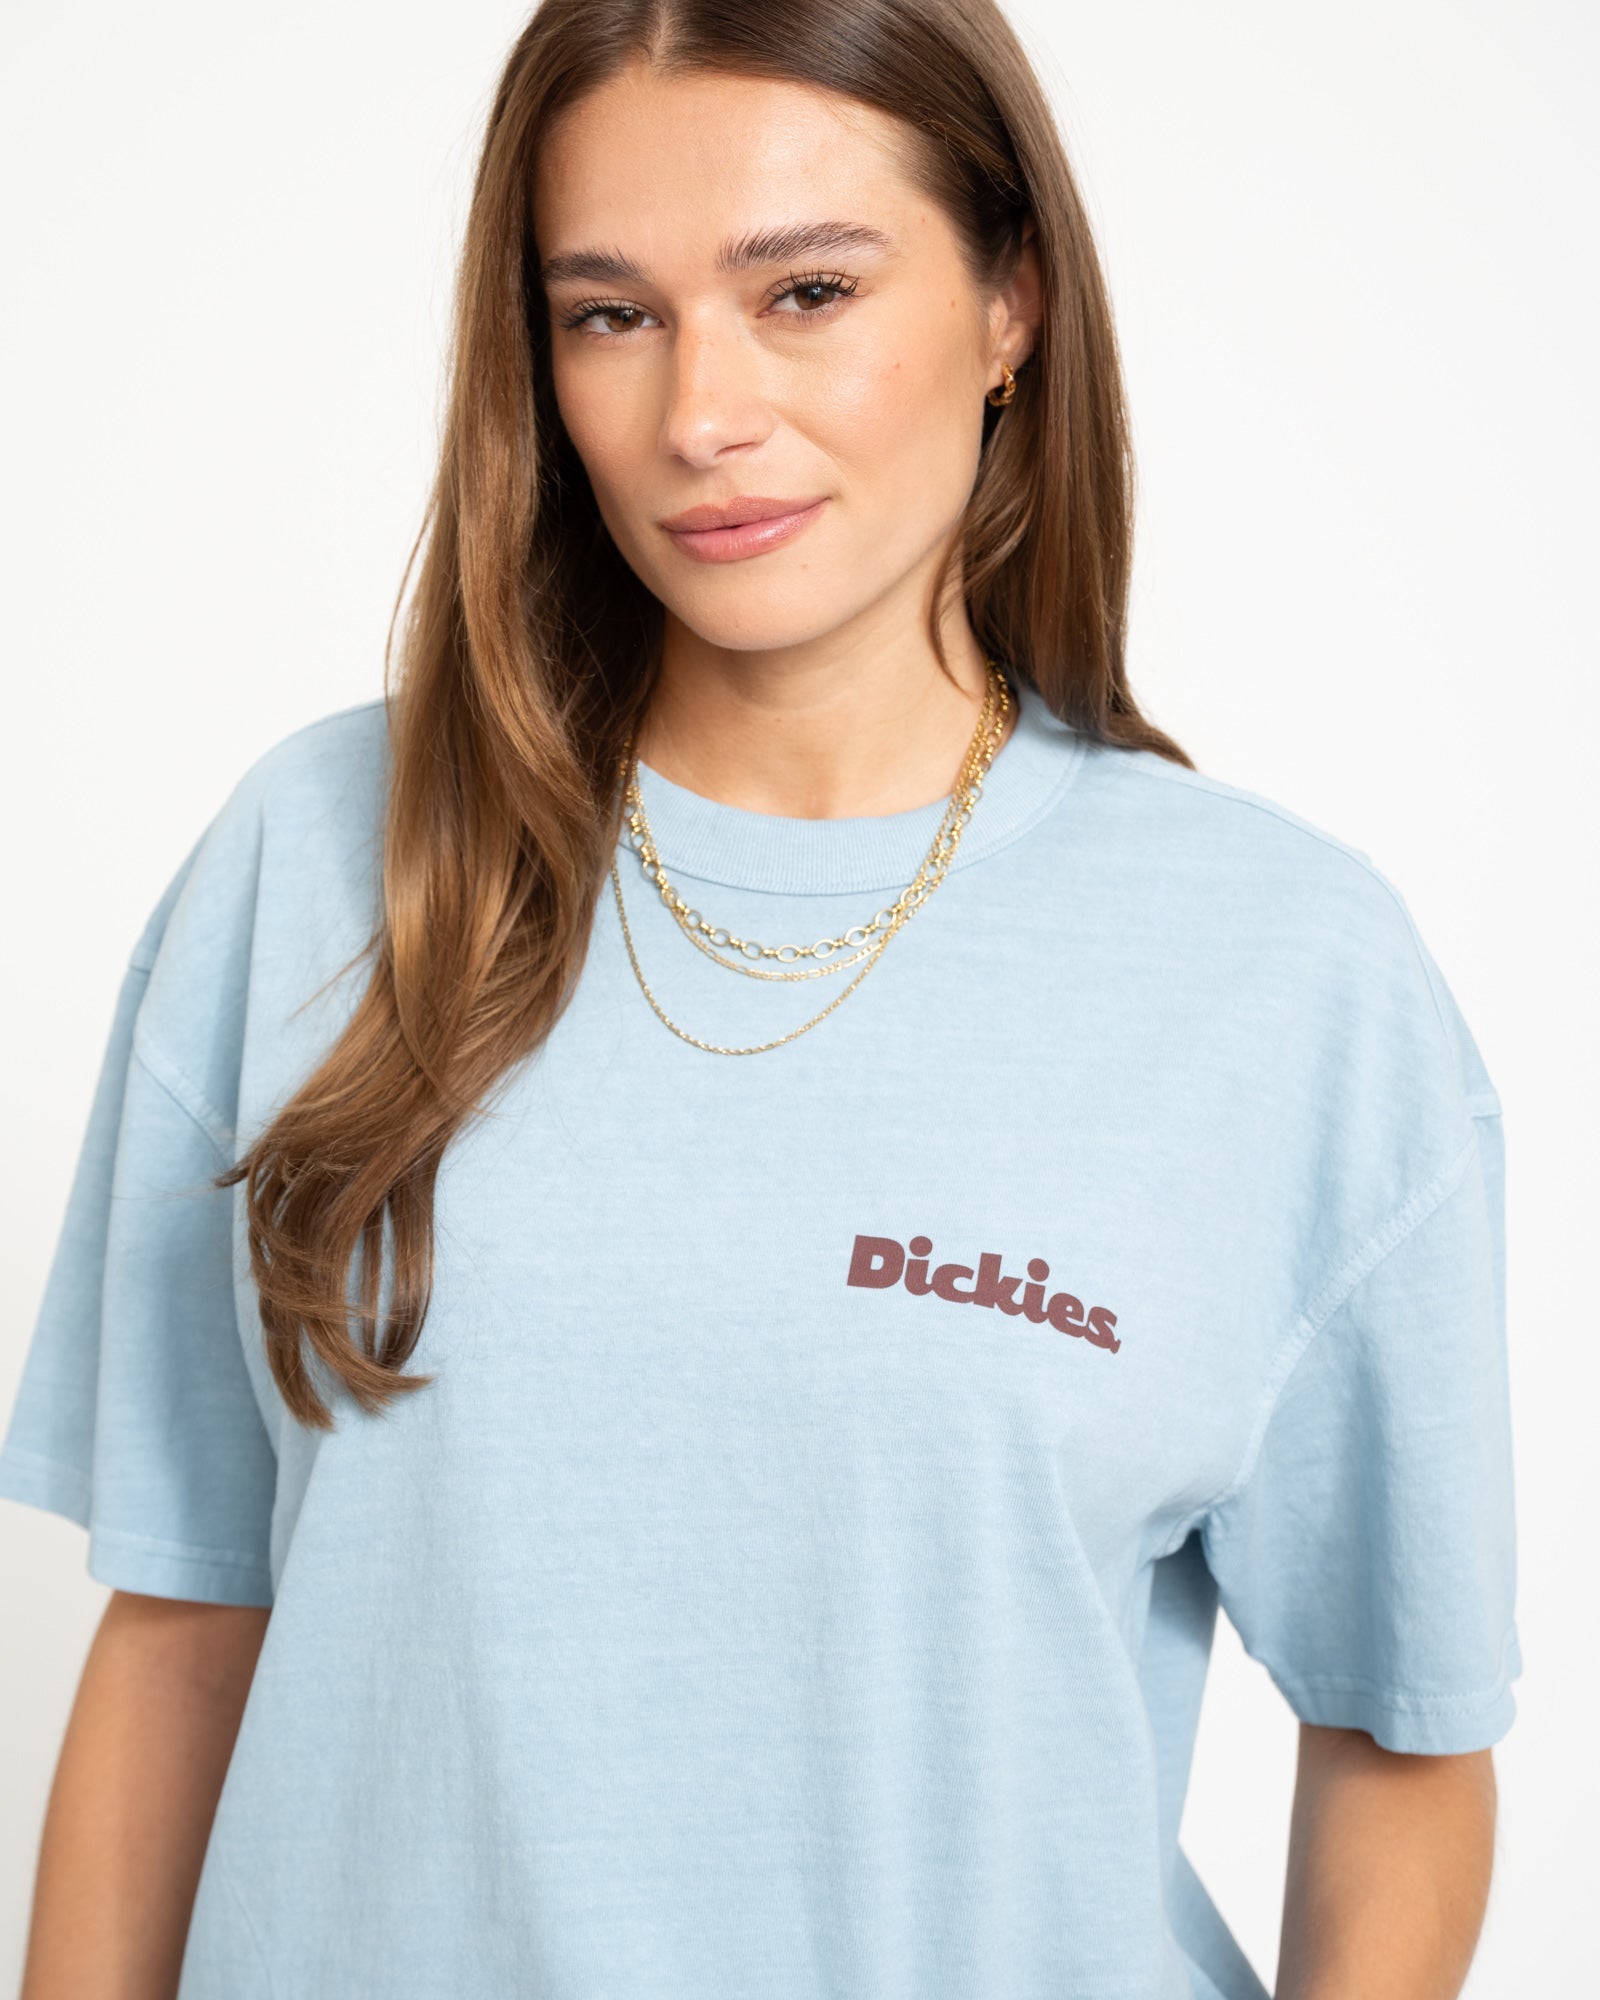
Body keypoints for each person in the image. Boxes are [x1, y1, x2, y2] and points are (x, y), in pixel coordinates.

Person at [0, 2, 1521, 1996]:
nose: (699, 413)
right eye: (609, 315)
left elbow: (1402, 1737)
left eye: (804, 291)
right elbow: (185, 1633)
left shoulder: (1285, 970)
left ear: (1009, 303)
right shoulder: (325, 859)